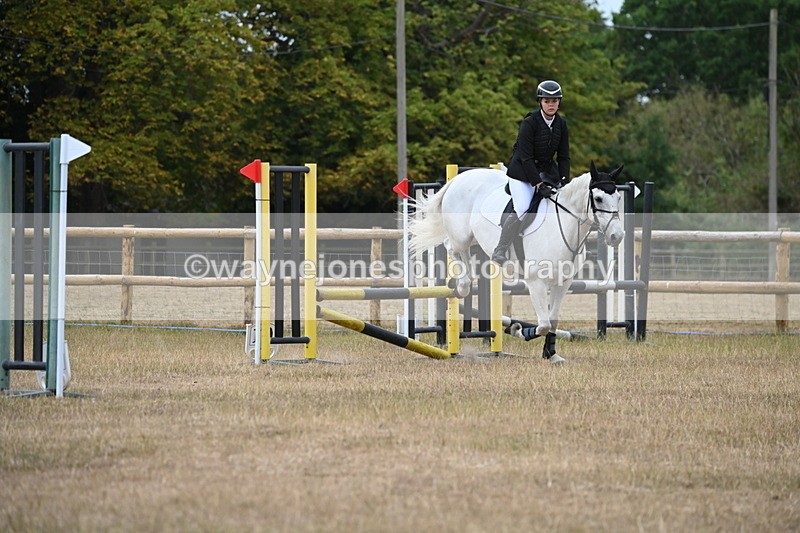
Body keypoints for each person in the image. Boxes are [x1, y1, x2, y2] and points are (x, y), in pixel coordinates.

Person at [491, 79, 571, 264]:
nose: (551, 105)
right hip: (522, 173)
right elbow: (526, 158)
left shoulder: (561, 124)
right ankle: (500, 248)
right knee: (522, 208)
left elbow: (564, 157)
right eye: (547, 101)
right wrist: (539, 184)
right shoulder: (529, 122)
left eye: (554, 101)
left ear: (559, 102)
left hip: (547, 172)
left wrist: (564, 180)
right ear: (540, 102)